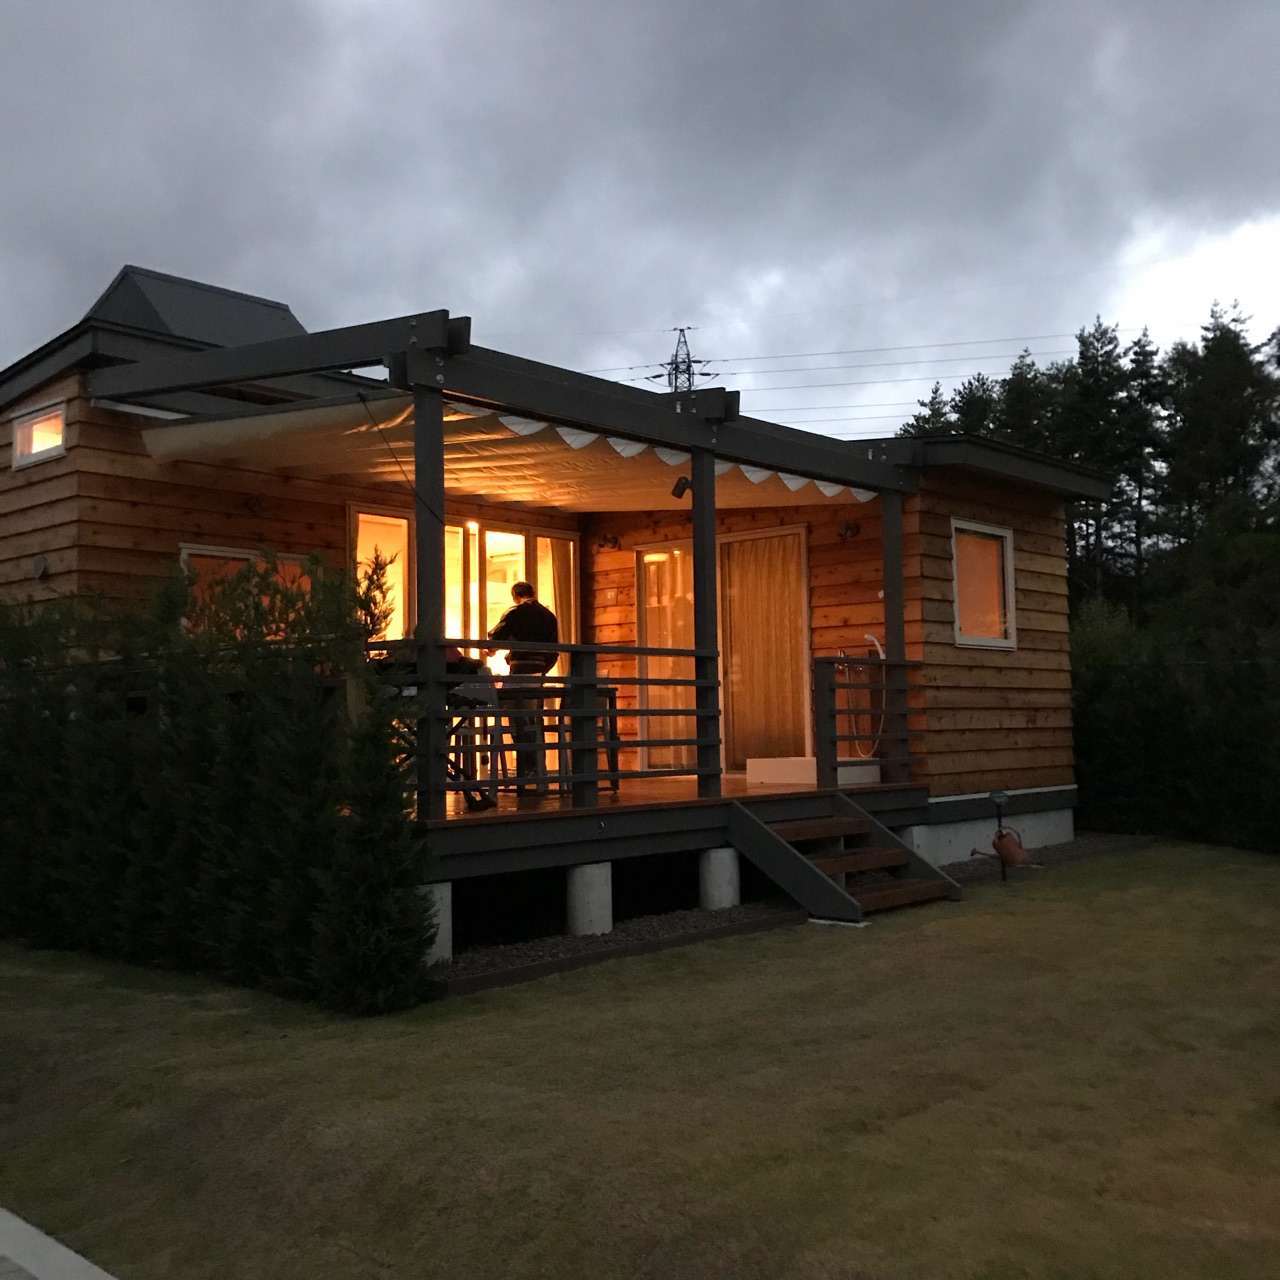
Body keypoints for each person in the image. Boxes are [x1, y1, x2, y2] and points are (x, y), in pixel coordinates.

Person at [486, 582, 559, 787]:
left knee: (517, 715)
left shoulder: (516, 612)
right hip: (539, 670)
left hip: (520, 669)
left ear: (515, 595)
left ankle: (525, 765)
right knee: (534, 718)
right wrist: (543, 668)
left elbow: (496, 635)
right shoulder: (548, 616)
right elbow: (554, 649)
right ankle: (538, 765)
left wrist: (491, 650)